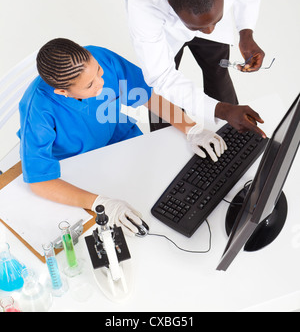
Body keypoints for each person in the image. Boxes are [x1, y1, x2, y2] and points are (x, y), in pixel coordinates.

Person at [18, 38, 227, 236]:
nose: (101, 82)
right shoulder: (36, 109)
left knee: (165, 186)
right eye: (90, 85)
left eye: (98, 71)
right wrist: (102, 204)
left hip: (121, 139)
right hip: (79, 165)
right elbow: (39, 181)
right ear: (63, 92)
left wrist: (192, 129)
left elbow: (148, 95)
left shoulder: (101, 56)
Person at [125, 0, 266, 136]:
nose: (208, 32)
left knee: (218, 70)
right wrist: (221, 109)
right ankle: (166, 144)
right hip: (166, 28)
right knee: (163, 94)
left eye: (215, 21)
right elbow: (162, 76)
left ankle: (235, 137)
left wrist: (246, 32)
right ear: (170, 5)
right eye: (198, 27)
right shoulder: (144, 4)